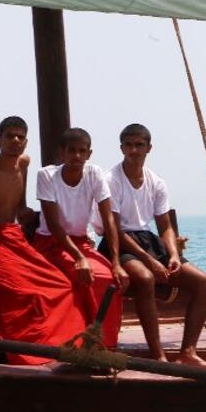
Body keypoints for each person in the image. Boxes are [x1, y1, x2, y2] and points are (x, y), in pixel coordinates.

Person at [0, 116, 87, 364]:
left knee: (61, 284)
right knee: (22, 292)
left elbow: (20, 204)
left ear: (26, 142)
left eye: (20, 136)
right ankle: (27, 350)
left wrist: (25, 212)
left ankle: (63, 346)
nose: (15, 141)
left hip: (14, 236)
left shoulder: (24, 163)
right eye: (10, 136)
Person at [100, 124, 206, 365]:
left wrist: (173, 255)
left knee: (204, 283)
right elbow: (115, 229)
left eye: (139, 145)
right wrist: (150, 261)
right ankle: (158, 355)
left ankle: (188, 353)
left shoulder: (156, 182)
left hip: (148, 240)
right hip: (119, 243)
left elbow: (165, 226)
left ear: (149, 148)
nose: (134, 150)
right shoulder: (111, 180)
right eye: (128, 145)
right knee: (145, 278)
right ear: (121, 148)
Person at [34, 127, 128, 348]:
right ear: (62, 153)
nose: (77, 156)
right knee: (82, 276)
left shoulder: (94, 174)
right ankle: (76, 340)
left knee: (108, 277)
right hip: (51, 243)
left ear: (89, 153)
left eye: (82, 151)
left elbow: (108, 219)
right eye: (72, 150)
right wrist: (79, 258)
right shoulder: (46, 175)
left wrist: (116, 262)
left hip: (80, 243)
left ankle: (104, 344)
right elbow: (54, 225)